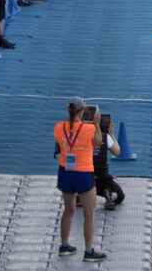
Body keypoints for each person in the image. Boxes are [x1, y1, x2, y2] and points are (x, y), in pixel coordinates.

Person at [54, 99, 107, 262]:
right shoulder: (89, 128)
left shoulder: (58, 127)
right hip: (83, 173)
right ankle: (89, 251)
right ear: (83, 111)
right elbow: (99, 143)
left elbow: (61, 144)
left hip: (65, 171)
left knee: (68, 210)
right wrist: (97, 124)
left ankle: (64, 245)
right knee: (89, 214)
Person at [93, 115, 125, 210]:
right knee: (120, 196)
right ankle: (108, 193)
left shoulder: (83, 135)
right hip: (101, 177)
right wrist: (111, 134)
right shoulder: (105, 137)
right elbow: (117, 152)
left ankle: (78, 194)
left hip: (84, 175)